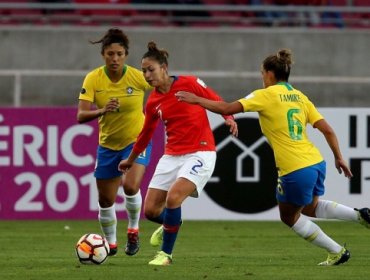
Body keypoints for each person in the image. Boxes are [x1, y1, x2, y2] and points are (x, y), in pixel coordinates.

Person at [175, 48, 370, 266]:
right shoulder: (300, 97)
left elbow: (227, 107)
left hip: (294, 167)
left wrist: (196, 99)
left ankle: (337, 251)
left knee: (289, 217)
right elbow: (328, 130)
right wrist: (339, 157)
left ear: (269, 73)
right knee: (309, 208)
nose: (262, 78)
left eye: (262, 73)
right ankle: (360, 215)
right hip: (316, 162)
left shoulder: (265, 95)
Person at [118, 41, 238, 266]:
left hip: (201, 152)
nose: (146, 75)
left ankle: (166, 255)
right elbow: (144, 135)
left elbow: (215, 98)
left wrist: (229, 118)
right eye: (143, 70)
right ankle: (172, 223)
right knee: (152, 211)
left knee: (173, 198)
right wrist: (130, 160)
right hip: (172, 155)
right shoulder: (153, 101)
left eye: (150, 69)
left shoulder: (189, 83)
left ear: (164, 67)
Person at [77, 28, 152, 257]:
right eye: (110, 54)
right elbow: (81, 115)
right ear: (103, 55)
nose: (115, 58)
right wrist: (101, 110)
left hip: (136, 142)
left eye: (119, 54)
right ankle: (110, 243)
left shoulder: (137, 77)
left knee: (130, 186)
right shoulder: (93, 78)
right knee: (106, 200)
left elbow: (163, 87)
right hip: (108, 146)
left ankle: (133, 230)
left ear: (126, 55)